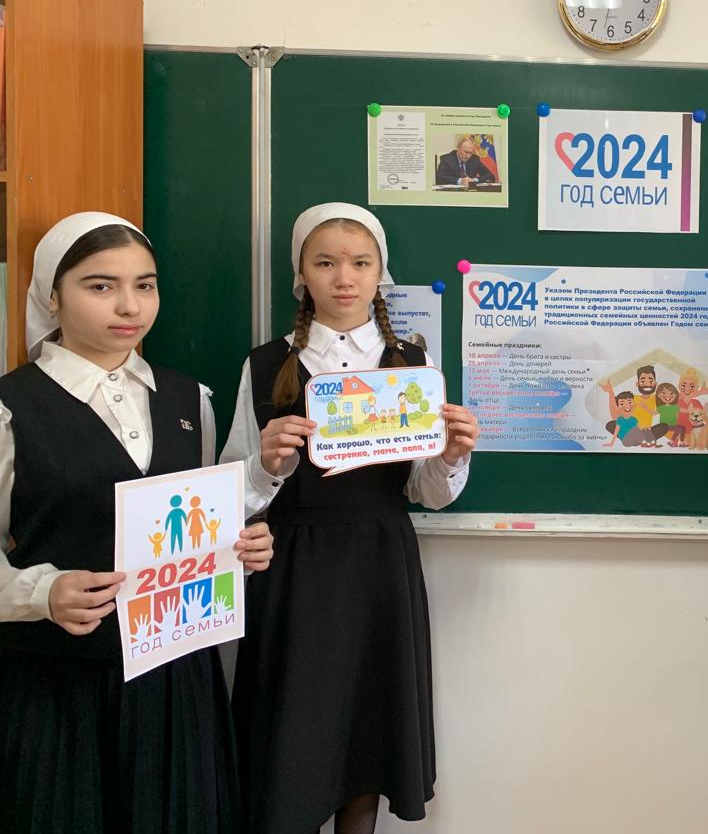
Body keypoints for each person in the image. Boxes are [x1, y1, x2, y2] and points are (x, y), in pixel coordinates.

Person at [0, 212, 274, 833]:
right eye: (100, 286)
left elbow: (200, 521)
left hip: (176, 678)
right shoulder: (12, 405)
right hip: (59, 683)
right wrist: (41, 592)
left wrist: (239, 547)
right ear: (51, 295)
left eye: (145, 285)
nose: (129, 306)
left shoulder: (188, 398)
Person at [222, 203, 480, 834]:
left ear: (379, 273)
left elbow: (427, 492)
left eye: (361, 263)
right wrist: (267, 464)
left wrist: (450, 455)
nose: (344, 278)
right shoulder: (264, 363)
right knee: (294, 725)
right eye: (325, 263)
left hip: (379, 560)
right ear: (301, 275)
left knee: (369, 723)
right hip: (292, 564)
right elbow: (228, 497)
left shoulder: (413, 364)